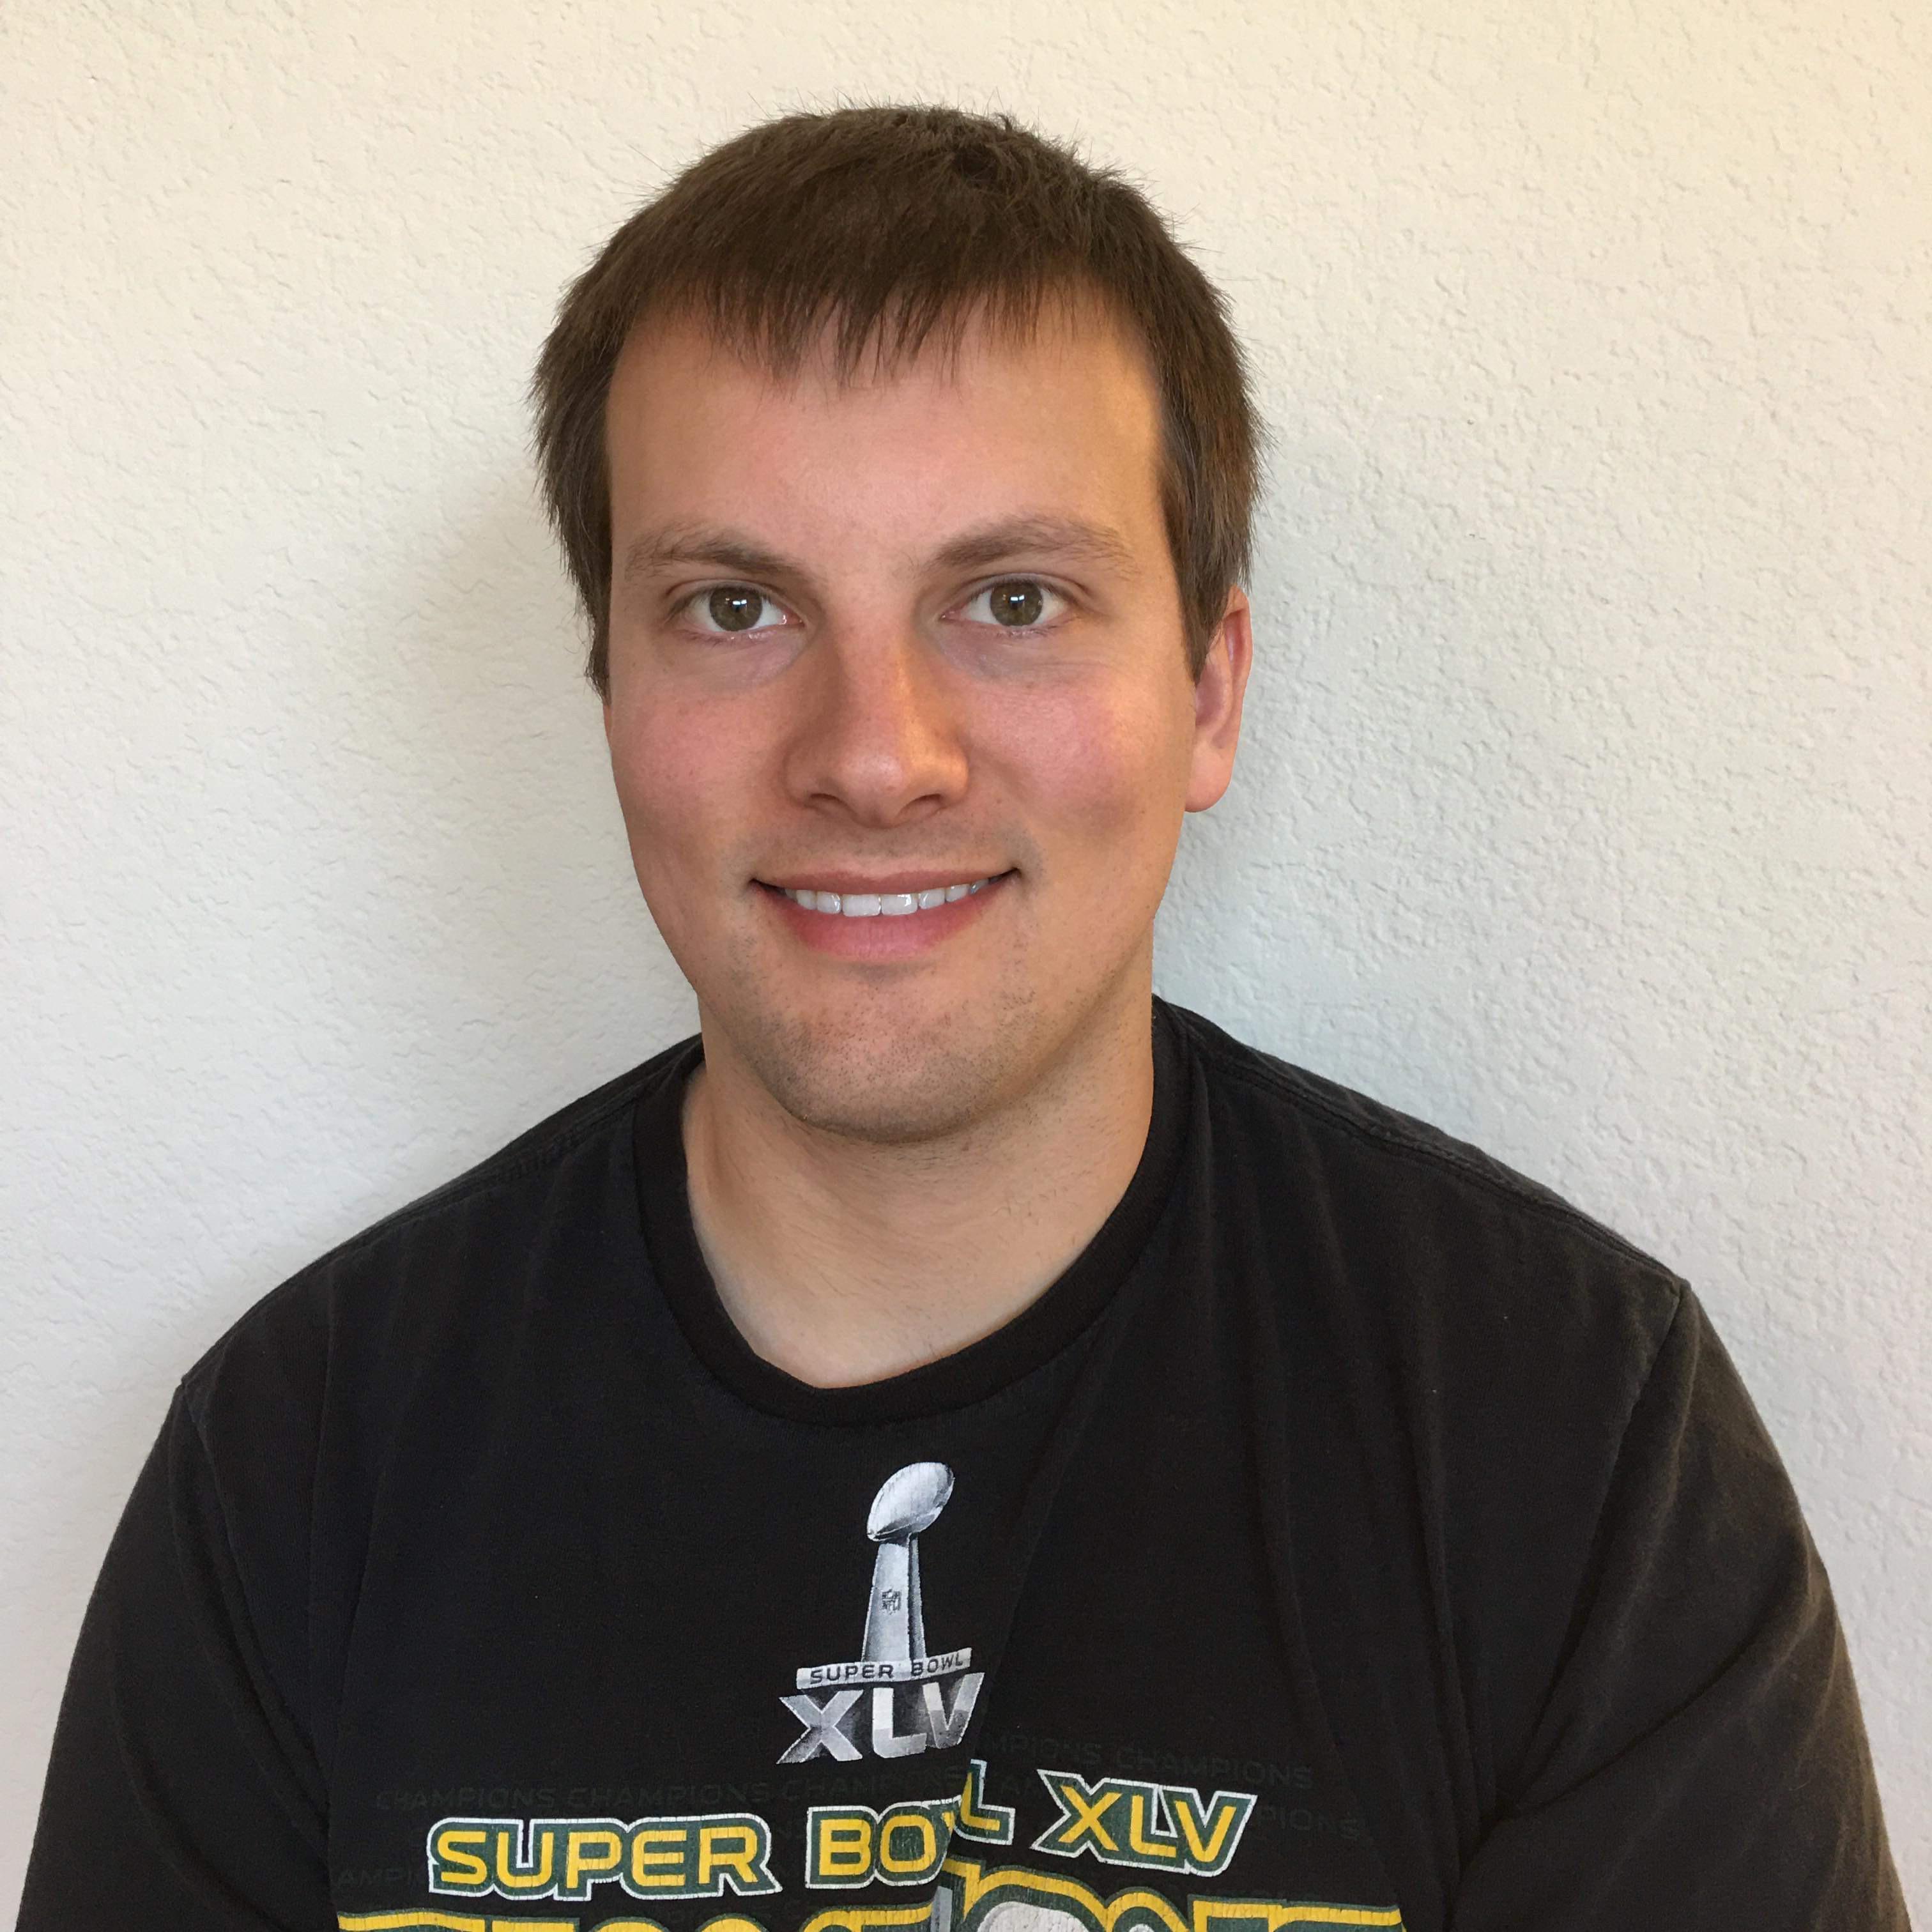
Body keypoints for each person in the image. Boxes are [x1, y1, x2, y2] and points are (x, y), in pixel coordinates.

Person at [19, 103, 1906, 1932]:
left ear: (1210, 693)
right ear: (608, 693)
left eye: (1011, 599)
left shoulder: (1560, 1429)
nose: (874, 755)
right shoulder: (304, 1461)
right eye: (736, 607)